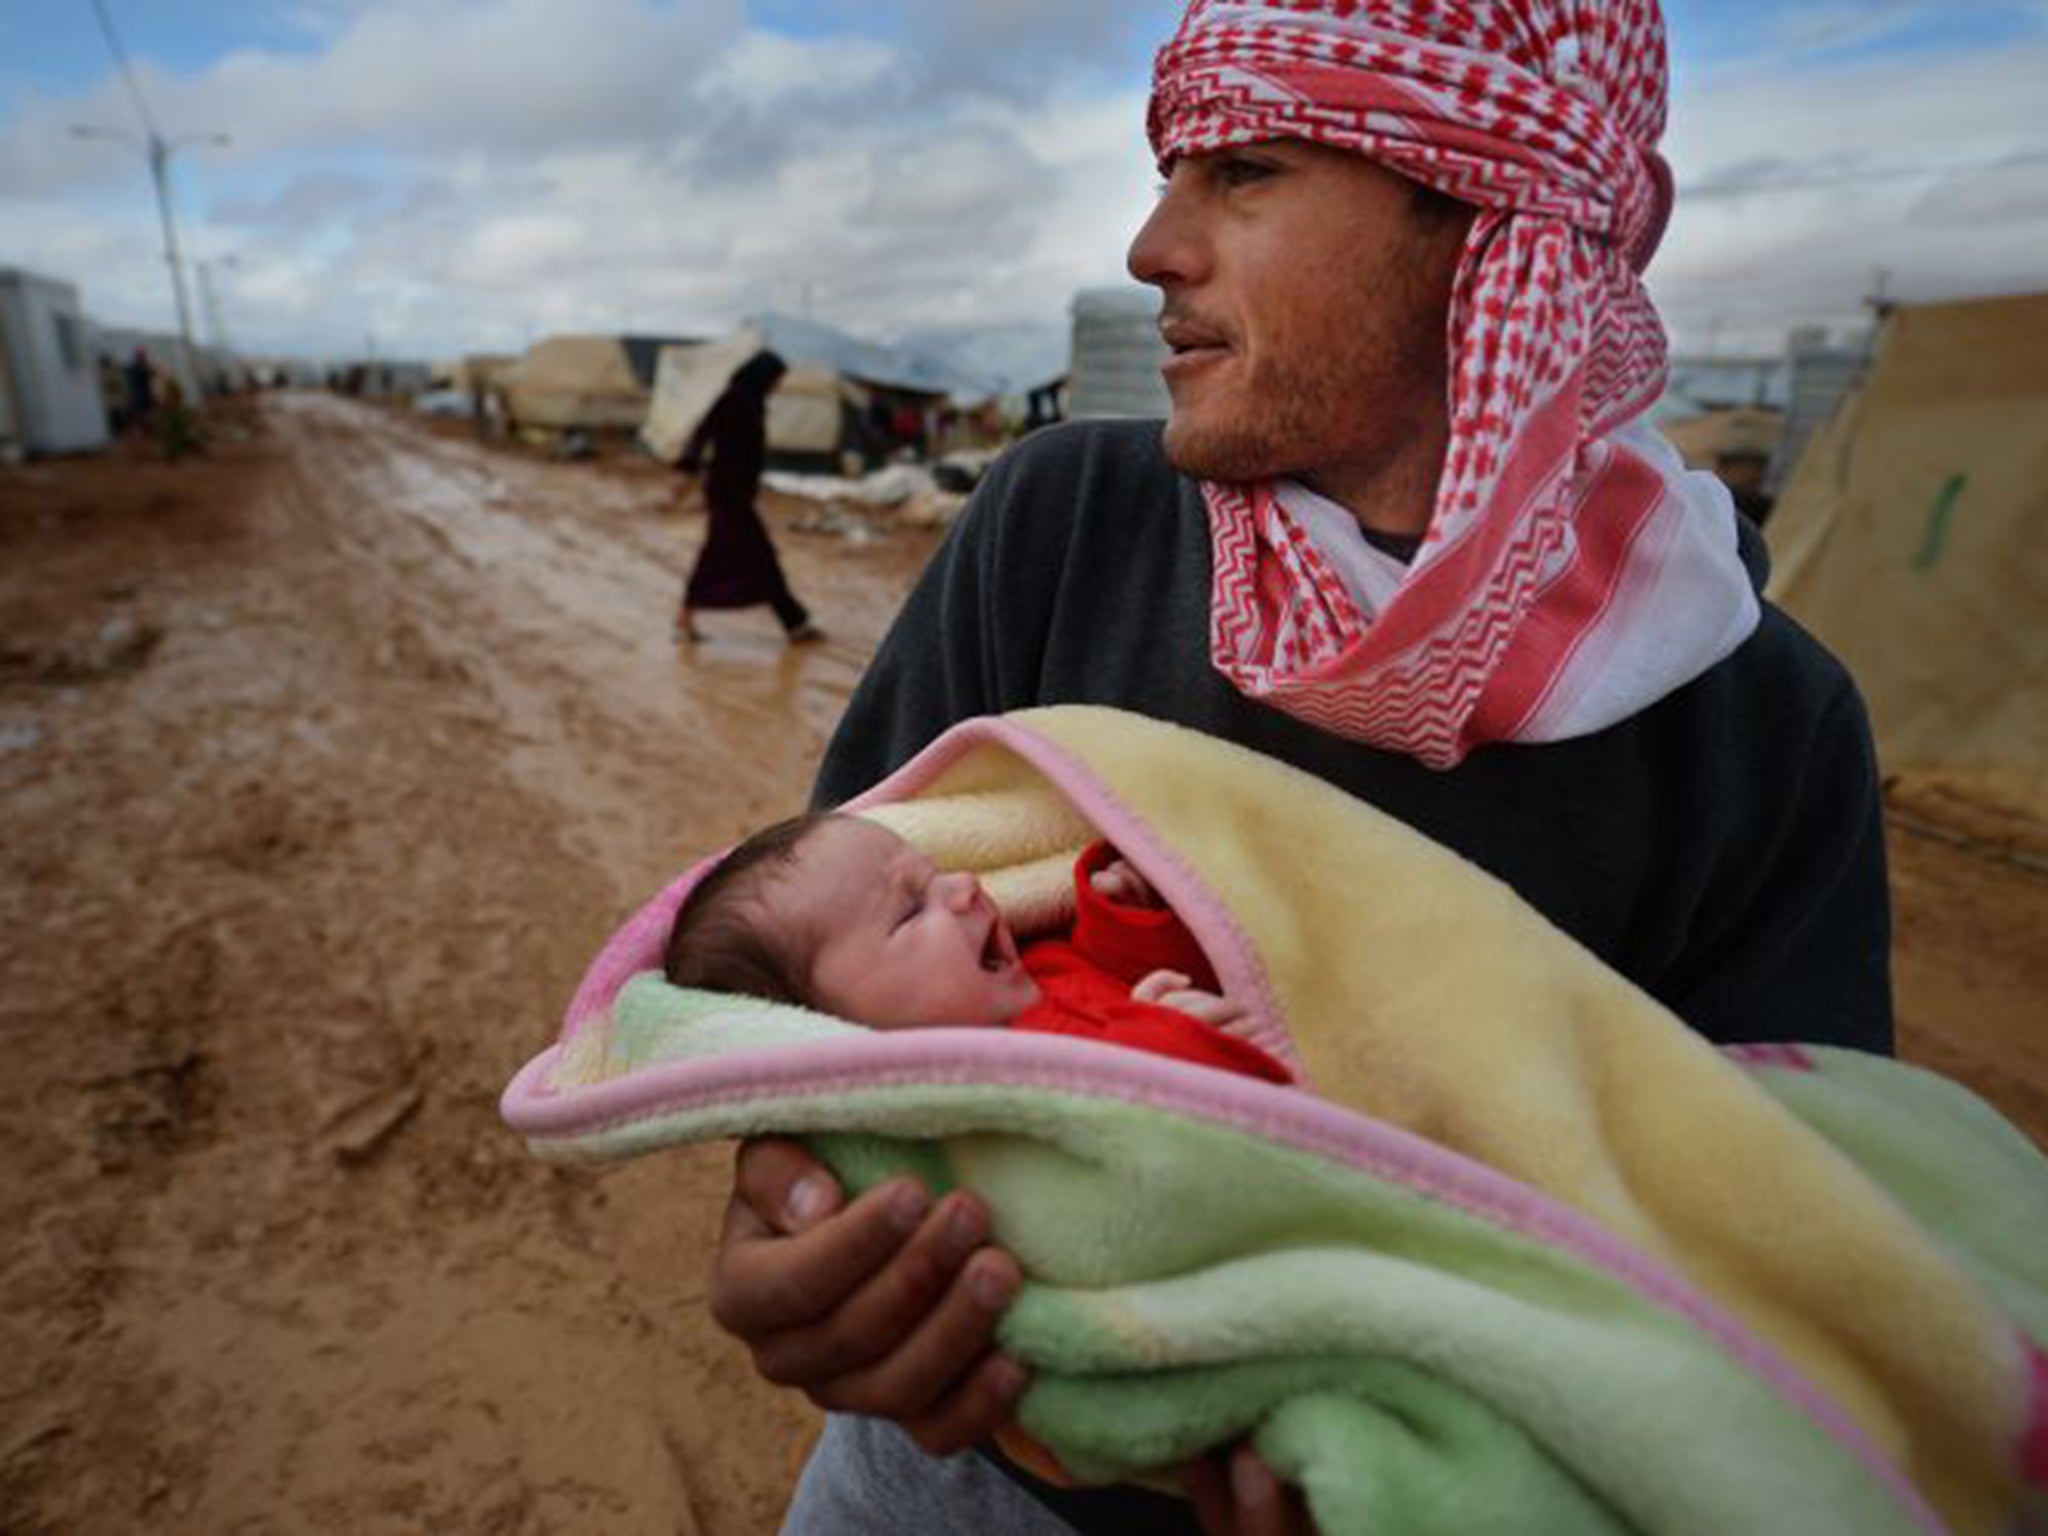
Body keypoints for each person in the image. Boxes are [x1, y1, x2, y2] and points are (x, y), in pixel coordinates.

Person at [702, 2, 1895, 1532]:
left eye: (1243, 171)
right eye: (1167, 171)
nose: (1151, 247)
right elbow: (806, 997)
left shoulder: (1761, 728)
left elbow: (1794, 1282)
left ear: (1484, 224)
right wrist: (803, 1226)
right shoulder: (1062, 526)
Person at [662, 811, 1293, 1083]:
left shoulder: (1037, 965)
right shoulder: (989, 1090)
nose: (964, 886)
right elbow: (1142, 1131)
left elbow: (1117, 973)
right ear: (826, 1030)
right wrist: (1172, 1038)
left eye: (937, 873)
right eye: (911, 909)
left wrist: (1122, 916)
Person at [674, 349, 821, 644]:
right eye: (775, 379)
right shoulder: (733, 399)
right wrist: (685, 473)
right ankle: (793, 621)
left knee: (736, 554)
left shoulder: (754, 402)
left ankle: (793, 622)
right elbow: (702, 433)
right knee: (756, 556)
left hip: (739, 493)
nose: (776, 386)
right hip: (725, 492)